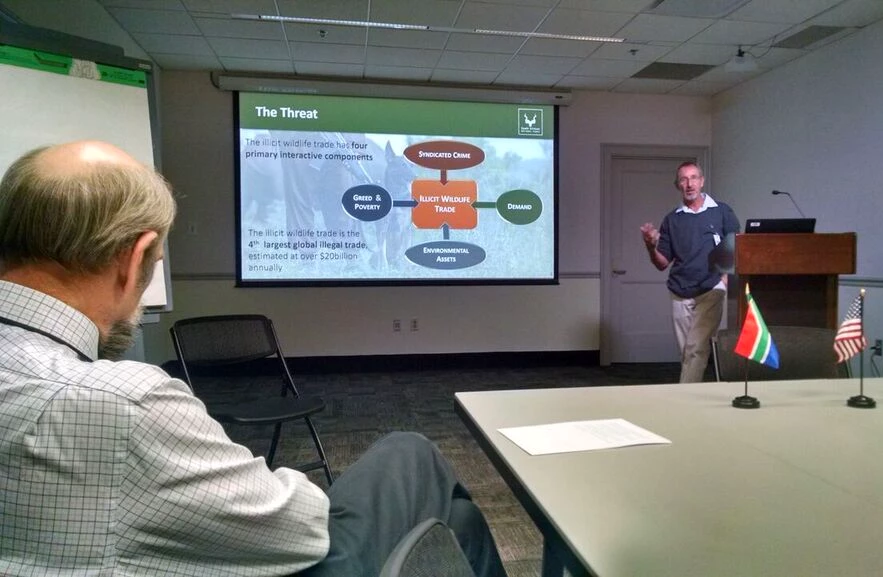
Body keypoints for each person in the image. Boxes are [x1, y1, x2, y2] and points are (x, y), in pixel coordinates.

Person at [0, 141, 507, 577]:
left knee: (455, 527)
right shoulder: (124, 403)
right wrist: (288, 484)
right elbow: (300, 532)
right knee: (411, 450)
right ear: (135, 259)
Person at [640, 161, 740, 383]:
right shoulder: (672, 219)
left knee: (696, 348)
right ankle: (696, 396)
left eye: (694, 178)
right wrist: (650, 246)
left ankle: (684, 396)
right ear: (678, 185)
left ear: (702, 181)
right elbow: (662, 263)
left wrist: (723, 281)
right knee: (688, 352)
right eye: (684, 179)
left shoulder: (722, 211)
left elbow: (735, 246)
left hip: (711, 290)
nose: (689, 184)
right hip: (680, 291)